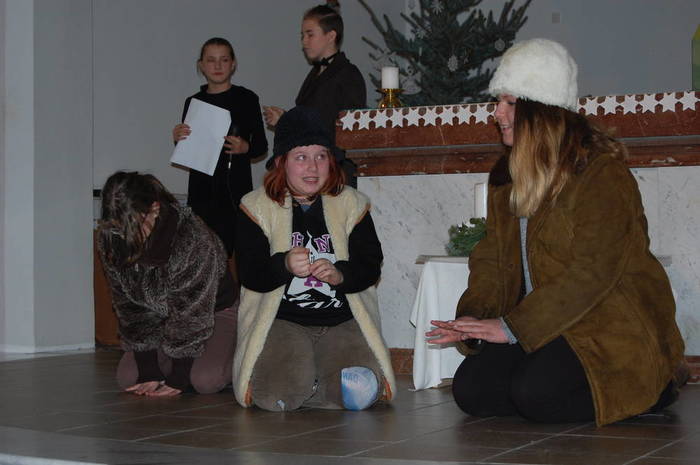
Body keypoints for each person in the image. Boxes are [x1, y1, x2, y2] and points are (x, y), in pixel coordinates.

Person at [426, 38, 685, 426]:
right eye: (498, 101)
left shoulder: (600, 173)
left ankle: (656, 384)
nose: (497, 113)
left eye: (509, 102)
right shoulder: (506, 178)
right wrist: (474, 322)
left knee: (536, 394)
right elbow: (493, 260)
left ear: (541, 110)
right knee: (473, 390)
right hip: (543, 324)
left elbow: (593, 273)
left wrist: (512, 328)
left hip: (606, 323)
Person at [233, 106, 395, 411]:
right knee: (275, 396)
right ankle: (311, 383)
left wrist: (340, 274)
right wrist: (283, 265)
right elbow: (250, 273)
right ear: (281, 162)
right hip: (283, 321)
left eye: (321, 156)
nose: (312, 167)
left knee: (359, 391)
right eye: (301, 157)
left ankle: (320, 383)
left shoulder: (352, 203)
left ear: (331, 161)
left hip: (341, 320)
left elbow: (370, 264)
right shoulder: (255, 206)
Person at [97, 171, 237, 396]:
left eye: (134, 225)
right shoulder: (111, 239)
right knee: (129, 377)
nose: (124, 236)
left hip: (215, 311)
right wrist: (148, 370)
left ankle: (241, 348)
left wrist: (179, 377)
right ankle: (181, 358)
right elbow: (128, 306)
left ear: (154, 209)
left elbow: (192, 313)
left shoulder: (192, 238)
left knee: (205, 380)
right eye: (117, 226)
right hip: (162, 317)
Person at [173, 37, 268, 257]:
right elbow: (190, 148)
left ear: (233, 64)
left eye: (224, 60)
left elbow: (261, 146)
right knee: (203, 256)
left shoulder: (247, 98)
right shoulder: (193, 102)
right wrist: (179, 138)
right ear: (201, 65)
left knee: (242, 255)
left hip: (235, 190)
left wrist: (245, 147)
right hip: (202, 191)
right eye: (211, 60)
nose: (217, 66)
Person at [262, 4, 366, 186]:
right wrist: (285, 120)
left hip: (335, 171)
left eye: (310, 35)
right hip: (314, 168)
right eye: (302, 36)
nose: (304, 42)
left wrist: (286, 121)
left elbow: (349, 131)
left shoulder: (348, 74)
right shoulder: (315, 73)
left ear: (331, 36)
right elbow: (311, 118)